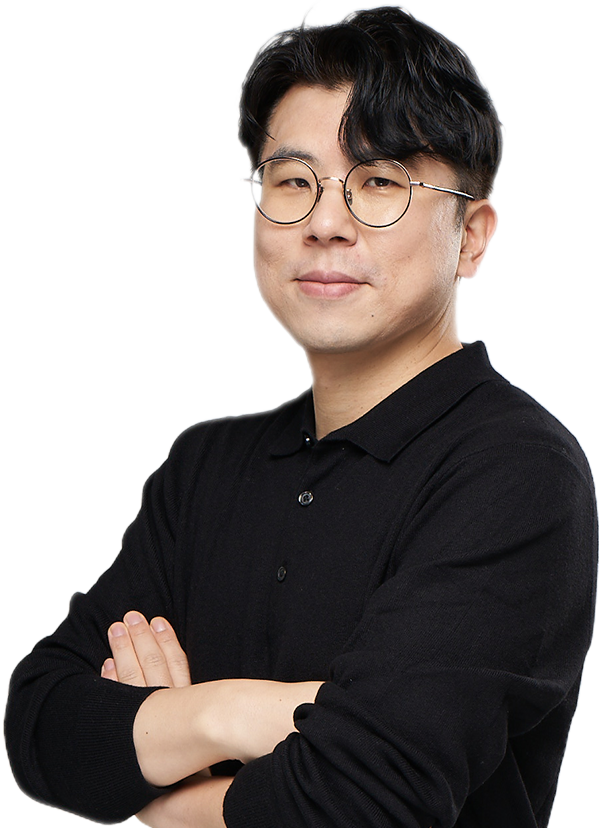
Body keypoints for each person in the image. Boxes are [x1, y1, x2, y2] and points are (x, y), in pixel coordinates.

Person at [5, 6, 597, 828]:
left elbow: (362, 800)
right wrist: (230, 714)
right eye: (291, 181)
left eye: (380, 182)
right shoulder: (206, 467)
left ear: (471, 238)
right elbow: (40, 725)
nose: (324, 223)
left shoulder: (517, 473)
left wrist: (162, 797)